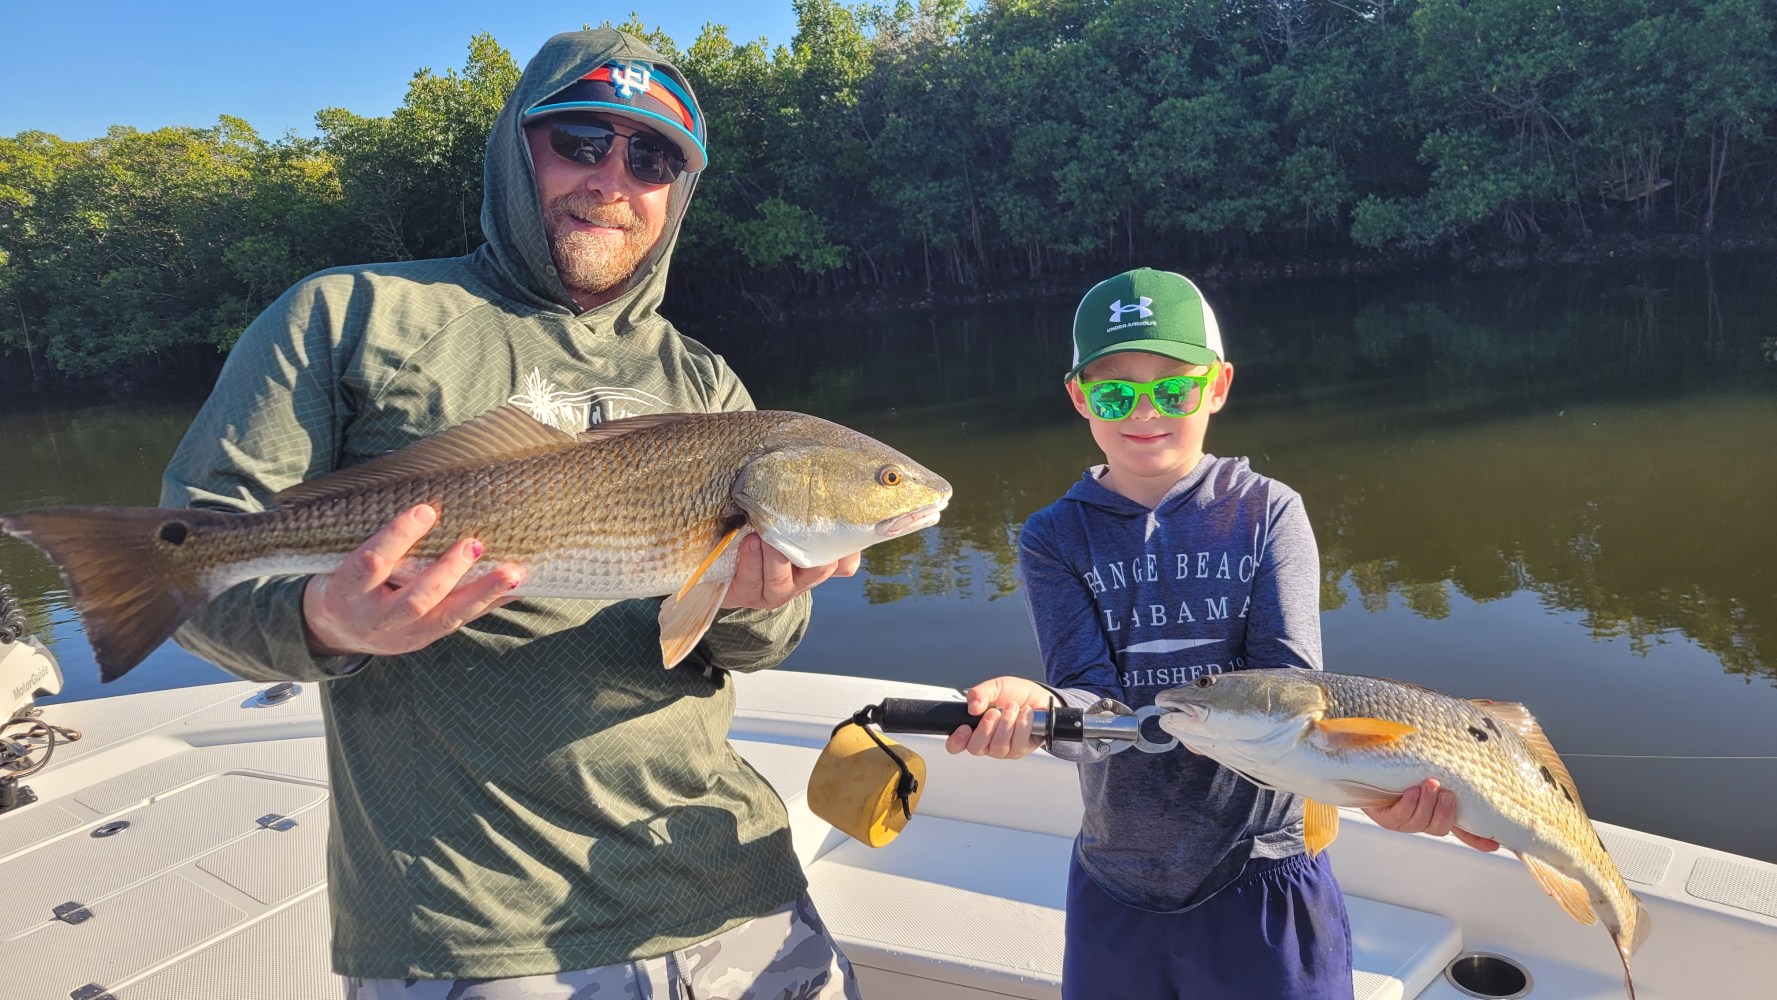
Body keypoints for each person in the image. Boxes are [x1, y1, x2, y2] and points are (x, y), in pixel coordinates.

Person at [160, 28, 863, 1000]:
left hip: (726, 879)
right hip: (483, 927)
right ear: (514, 146)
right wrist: (324, 620)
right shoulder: (351, 317)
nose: (614, 177)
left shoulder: (706, 383)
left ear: (677, 191)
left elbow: (752, 642)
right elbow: (184, 573)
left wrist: (756, 598)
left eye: (652, 157)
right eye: (581, 140)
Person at [945, 268, 1498, 1000]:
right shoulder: (1052, 536)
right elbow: (1091, 696)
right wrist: (1036, 708)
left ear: (1217, 385)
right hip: (1116, 876)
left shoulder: (1267, 511)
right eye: (1116, 393)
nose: (1146, 413)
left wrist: (1384, 792)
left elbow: (1300, 702)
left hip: (1264, 872)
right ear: (1079, 397)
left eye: (1173, 389)